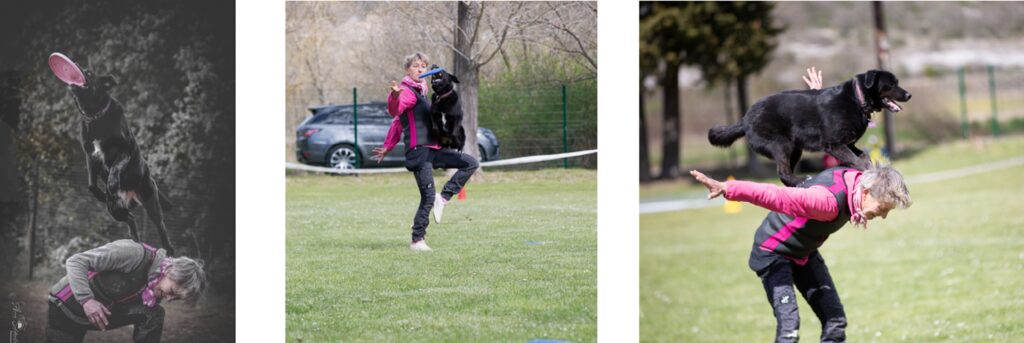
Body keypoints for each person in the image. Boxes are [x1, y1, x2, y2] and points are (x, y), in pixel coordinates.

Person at [689, 164, 911, 343]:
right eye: (882, 209)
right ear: (865, 192)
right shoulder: (826, 202)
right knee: (789, 331)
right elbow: (776, 195)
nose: (882, 216)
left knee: (835, 322)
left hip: (804, 252)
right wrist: (728, 188)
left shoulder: (860, 179)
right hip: (773, 251)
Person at [371, 52, 479, 252]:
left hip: (433, 149)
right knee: (427, 197)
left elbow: (397, 123)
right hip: (419, 152)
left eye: (423, 66)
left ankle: (444, 197)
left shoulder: (422, 92)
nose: (420, 69)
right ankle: (417, 240)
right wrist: (394, 97)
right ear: (407, 69)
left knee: (471, 162)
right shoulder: (406, 92)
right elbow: (396, 112)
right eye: (415, 66)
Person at [46, 239, 207, 343]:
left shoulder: (154, 289)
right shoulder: (133, 253)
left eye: (176, 298)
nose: (170, 299)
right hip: (65, 307)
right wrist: (87, 300)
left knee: (155, 313)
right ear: (170, 270)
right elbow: (76, 261)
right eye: (172, 291)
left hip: (100, 313)